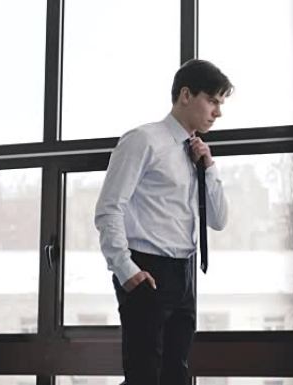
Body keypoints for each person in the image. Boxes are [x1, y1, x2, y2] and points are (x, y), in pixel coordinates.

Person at [94, 59, 233, 385]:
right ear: (186, 95)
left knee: (177, 375)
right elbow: (108, 209)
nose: (218, 112)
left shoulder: (195, 153)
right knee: (144, 377)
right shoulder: (143, 140)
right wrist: (125, 270)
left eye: (220, 104)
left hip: (185, 273)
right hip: (147, 272)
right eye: (212, 100)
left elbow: (219, 219)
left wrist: (208, 167)